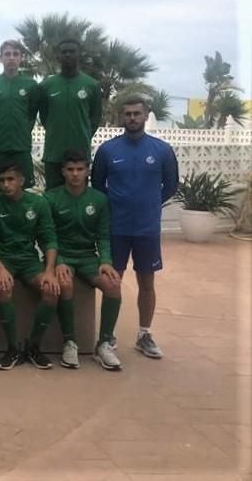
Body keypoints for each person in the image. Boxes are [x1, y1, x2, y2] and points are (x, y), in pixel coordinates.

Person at [91, 96, 178, 360]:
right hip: (116, 228)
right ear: (121, 117)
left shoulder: (162, 150)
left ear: (145, 115)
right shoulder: (107, 151)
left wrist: (149, 204)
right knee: (112, 283)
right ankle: (107, 336)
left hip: (146, 229)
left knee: (147, 282)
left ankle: (144, 334)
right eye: (127, 114)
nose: (132, 118)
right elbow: (97, 185)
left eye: (137, 113)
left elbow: (171, 185)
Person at [45, 149, 122, 370]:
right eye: (70, 170)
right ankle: (70, 342)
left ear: (87, 171)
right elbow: (47, 236)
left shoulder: (99, 199)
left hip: (89, 258)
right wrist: (58, 260)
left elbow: (103, 235)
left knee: (113, 286)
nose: (75, 174)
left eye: (80, 169)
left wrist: (106, 261)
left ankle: (104, 343)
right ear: (63, 172)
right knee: (65, 284)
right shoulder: (51, 198)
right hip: (63, 256)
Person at [0, 162, 60, 370]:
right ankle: (13, 348)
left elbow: (49, 238)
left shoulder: (38, 203)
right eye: (2, 181)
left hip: (29, 261)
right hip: (3, 259)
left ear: (22, 181)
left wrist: (50, 270)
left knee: (51, 290)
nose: (6, 185)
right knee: (3, 288)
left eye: (10, 179)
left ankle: (33, 347)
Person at [39, 39, 102, 189]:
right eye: (64, 52)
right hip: (54, 153)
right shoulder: (47, 85)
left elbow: (95, 118)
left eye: (72, 51)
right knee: (52, 199)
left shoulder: (92, 85)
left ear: (79, 55)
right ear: (58, 57)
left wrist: (82, 135)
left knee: (79, 197)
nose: (68, 55)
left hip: (80, 153)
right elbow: (44, 116)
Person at [0, 40, 40, 191]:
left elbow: (32, 114)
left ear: (21, 58)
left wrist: (22, 132)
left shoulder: (31, 84)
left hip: (21, 147)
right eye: (7, 54)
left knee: (21, 192)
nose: (11, 58)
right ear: (1, 58)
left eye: (15, 54)